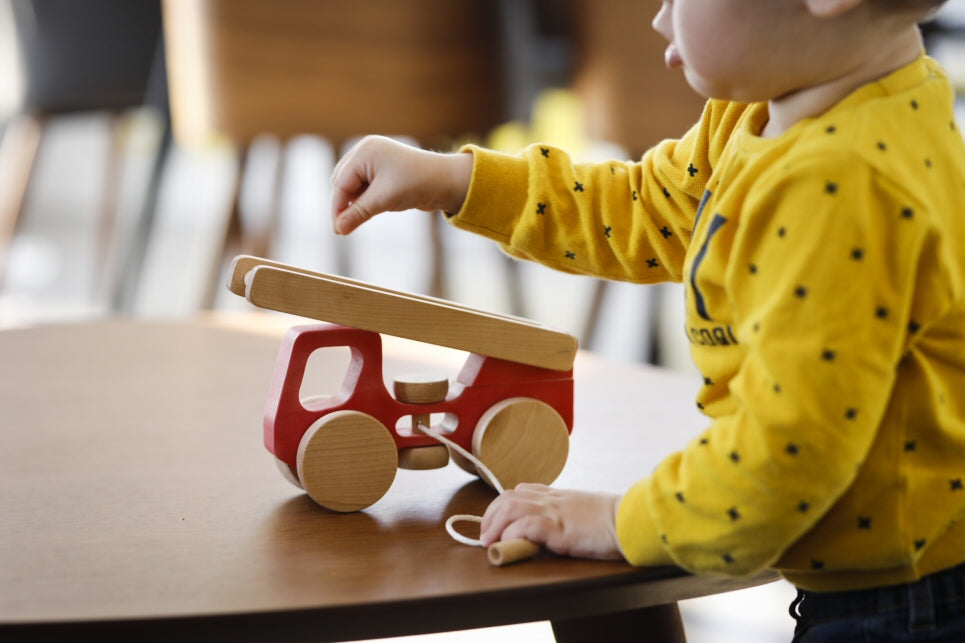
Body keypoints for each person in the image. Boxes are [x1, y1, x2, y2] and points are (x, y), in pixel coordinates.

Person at [330, 1, 965, 639]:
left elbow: (788, 454)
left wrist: (615, 521)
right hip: (873, 576)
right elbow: (648, 208)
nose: (659, 20)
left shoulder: (844, 184)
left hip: (902, 608)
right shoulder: (775, 109)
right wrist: (456, 180)